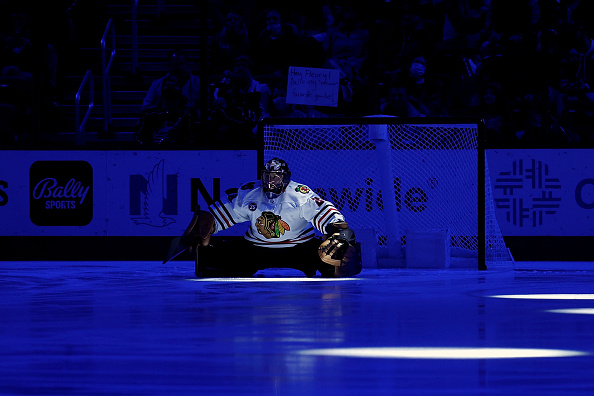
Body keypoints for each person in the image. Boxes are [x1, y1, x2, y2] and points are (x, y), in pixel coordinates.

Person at [176, 158, 362, 278]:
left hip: (300, 247)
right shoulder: (250, 192)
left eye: (277, 177)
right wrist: (204, 227)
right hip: (256, 248)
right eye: (268, 177)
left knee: (335, 263)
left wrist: (339, 232)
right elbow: (220, 214)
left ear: (286, 179)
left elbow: (325, 213)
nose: (271, 182)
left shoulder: (300, 194)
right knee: (210, 265)